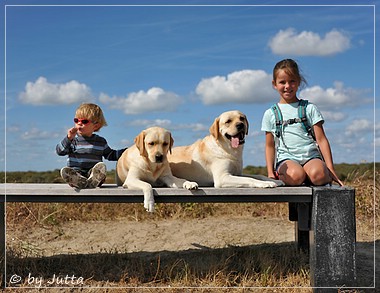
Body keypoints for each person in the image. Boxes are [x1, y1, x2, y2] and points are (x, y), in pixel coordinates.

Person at [261, 59, 343, 186]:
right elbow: (269, 146)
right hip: (286, 160)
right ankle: (299, 177)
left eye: (292, 81)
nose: (287, 86)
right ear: (274, 84)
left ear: (298, 82)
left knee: (319, 175)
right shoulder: (270, 113)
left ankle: (316, 176)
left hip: (311, 157)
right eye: (282, 82)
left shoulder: (309, 108)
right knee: (295, 176)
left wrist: (330, 168)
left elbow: (321, 139)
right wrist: (270, 172)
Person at [56, 103, 127, 189]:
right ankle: (78, 181)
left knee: (99, 169)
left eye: (84, 121)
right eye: (76, 120)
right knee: (72, 172)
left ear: (95, 126)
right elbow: (60, 151)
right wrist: (68, 138)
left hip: (93, 172)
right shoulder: (72, 141)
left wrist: (127, 151)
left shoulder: (100, 141)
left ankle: (93, 180)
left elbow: (111, 155)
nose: (79, 123)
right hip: (77, 172)